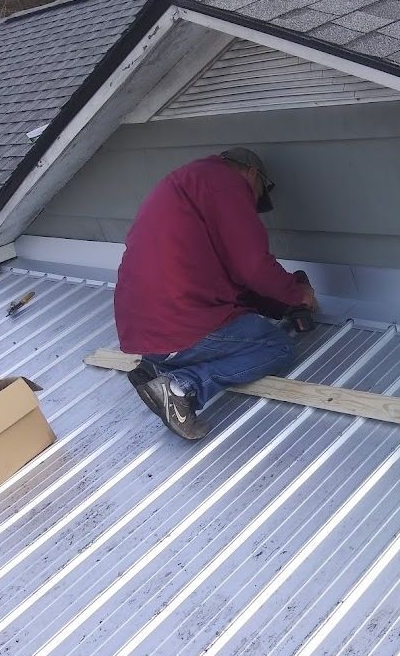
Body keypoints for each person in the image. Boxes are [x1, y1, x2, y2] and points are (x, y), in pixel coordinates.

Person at [114, 147, 317, 440]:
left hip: (144, 328)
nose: (253, 205)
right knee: (277, 347)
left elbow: (235, 278)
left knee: (242, 325)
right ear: (252, 174)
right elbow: (252, 266)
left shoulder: (188, 184)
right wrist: (297, 295)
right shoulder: (227, 183)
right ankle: (181, 388)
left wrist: (280, 305)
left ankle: (158, 366)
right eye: (259, 195)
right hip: (180, 322)